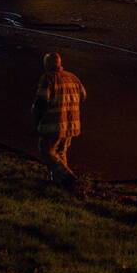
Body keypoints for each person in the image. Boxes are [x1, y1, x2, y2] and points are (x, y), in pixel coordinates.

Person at [31, 52, 87, 190]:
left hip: (53, 124)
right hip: (71, 123)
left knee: (46, 151)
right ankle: (59, 183)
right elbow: (83, 96)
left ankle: (68, 177)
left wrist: (36, 118)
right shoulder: (73, 77)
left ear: (47, 64)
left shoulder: (48, 78)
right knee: (61, 152)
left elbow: (41, 102)